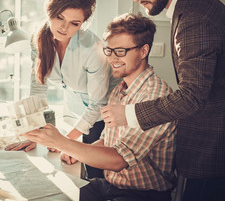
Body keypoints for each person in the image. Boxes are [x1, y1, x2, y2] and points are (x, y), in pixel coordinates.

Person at [103, 0, 225, 200]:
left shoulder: (195, 17)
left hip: (215, 150)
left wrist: (130, 114)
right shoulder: (194, 6)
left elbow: (192, 96)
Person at [23, 13, 177, 201]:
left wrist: (62, 142)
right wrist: (75, 151)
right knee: (52, 195)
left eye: (120, 51)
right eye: (109, 50)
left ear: (143, 51)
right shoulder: (119, 90)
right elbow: (107, 141)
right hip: (110, 186)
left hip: (142, 195)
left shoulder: (155, 95)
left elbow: (119, 160)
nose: (112, 59)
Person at [5, 0, 119, 179]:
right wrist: (36, 132)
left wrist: (63, 141)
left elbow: (97, 105)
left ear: (82, 24)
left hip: (105, 117)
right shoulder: (39, 39)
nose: (65, 28)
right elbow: (38, 89)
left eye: (75, 23)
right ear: (50, 11)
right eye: (60, 18)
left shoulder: (93, 48)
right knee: (68, 169)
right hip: (78, 112)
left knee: (94, 177)